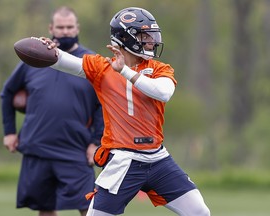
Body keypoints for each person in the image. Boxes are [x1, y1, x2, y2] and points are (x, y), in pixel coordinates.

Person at [40, 7, 211, 216]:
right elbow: (63, 61)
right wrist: (49, 51)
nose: (151, 41)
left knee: (199, 212)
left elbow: (163, 92)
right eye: (143, 35)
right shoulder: (102, 68)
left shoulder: (159, 68)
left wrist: (124, 71)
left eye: (151, 35)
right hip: (124, 160)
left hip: (157, 159)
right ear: (124, 38)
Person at [0, 6, 104, 216]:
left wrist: (96, 142)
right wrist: (10, 132)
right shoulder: (34, 58)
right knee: (45, 209)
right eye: (60, 27)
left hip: (75, 149)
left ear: (77, 28)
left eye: (69, 27)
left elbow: (103, 106)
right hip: (38, 146)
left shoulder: (91, 63)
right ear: (51, 28)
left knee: (89, 208)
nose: (65, 31)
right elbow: (8, 93)